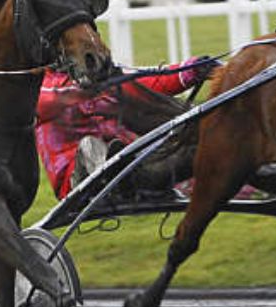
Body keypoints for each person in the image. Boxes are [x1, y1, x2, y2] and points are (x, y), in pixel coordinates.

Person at [36, 57, 219, 200]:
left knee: (200, 140)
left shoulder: (101, 76)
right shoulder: (37, 88)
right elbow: (46, 102)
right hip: (78, 184)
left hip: (136, 167)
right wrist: (86, 90)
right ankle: (117, 171)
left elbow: (149, 83)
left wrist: (191, 69)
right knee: (91, 146)